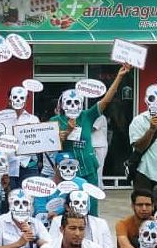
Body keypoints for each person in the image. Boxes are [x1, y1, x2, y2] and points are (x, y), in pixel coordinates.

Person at [54, 64, 131, 192]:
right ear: (62, 104)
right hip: (68, 171)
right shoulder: (55, 121)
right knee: (72, 205)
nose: (73, 105)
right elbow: (50, 147)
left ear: (81, 103)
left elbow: (106, 101)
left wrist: (119, 77)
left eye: (76, 102)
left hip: (89, 168)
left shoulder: (87, 116)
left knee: (91, 204)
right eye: (69, 102)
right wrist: (64, 133)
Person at [0, 86, 40, 188]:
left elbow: (39, 144)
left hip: (28, 165)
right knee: (8, 198)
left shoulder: (33, 120)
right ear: (10, 100)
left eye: (22, 98)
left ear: (26, 101)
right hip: (6, 165)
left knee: (28, 199)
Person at [48, 190, 116, 248]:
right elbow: (51, 247)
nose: (81, 206)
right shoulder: (57, 221)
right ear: (67, 207)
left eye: (84, 203)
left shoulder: (101, 223)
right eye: (76, 203)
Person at [91, 114, 109, 188]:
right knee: (93, 167)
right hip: (92, 145)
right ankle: (95, 185)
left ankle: (99, 186)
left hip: (100, 145)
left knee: (99, 166)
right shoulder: (91, 116)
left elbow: (93, 128)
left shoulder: (101, 117)